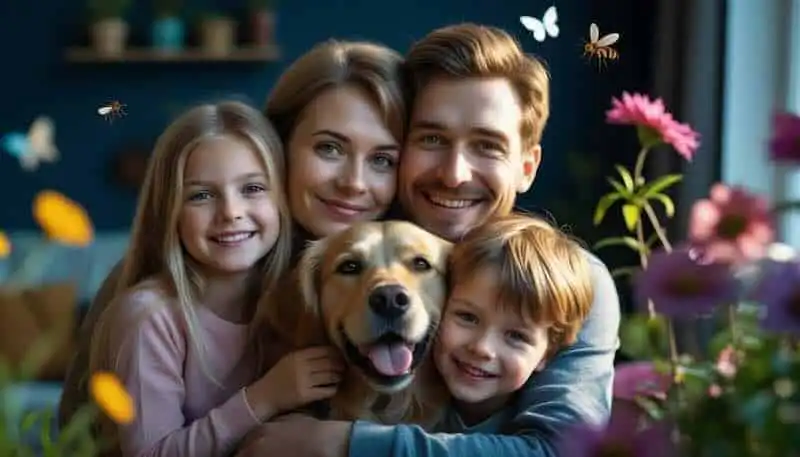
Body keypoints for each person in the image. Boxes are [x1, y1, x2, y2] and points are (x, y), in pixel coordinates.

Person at [236, 23, 620, 457]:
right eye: (433, 139)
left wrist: (347, 444)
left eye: (487, 146)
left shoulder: (566, 282)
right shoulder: (345, 253)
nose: (454, 174)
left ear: (527, 167)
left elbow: (561, 452)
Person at [58, 39, 407, 429]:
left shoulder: (403, 286)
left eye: (382, 160)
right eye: (329, 148)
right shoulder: (169, 289)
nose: (354, 183)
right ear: (278, 146)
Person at [87, 101, 343, 456]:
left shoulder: (301, 297)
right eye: (201, 195)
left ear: (281, 197)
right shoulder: (150, 319)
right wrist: (263, 398)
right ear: (169, 212)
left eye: (252, 188)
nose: (231, 213)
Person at [433, 214, 593, 431]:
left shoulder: (533, 430)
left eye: (516, 336)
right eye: (468, 317)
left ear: (546, 354)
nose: (482, 348)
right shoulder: (400, 401)